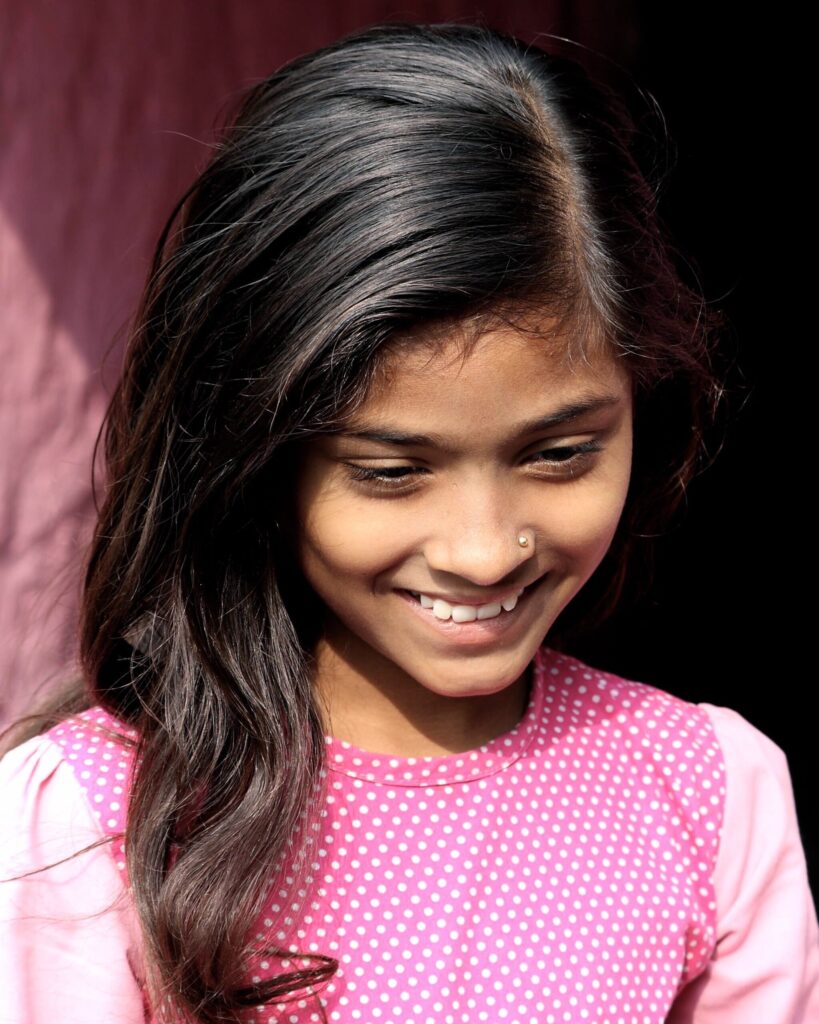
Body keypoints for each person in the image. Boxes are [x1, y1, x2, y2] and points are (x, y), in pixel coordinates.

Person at [0, 21, 816, 1024]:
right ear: (253, 453)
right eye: (391, 471)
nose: (483, 547)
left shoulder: (710, 797)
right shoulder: (89, 825)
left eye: (561, 455)